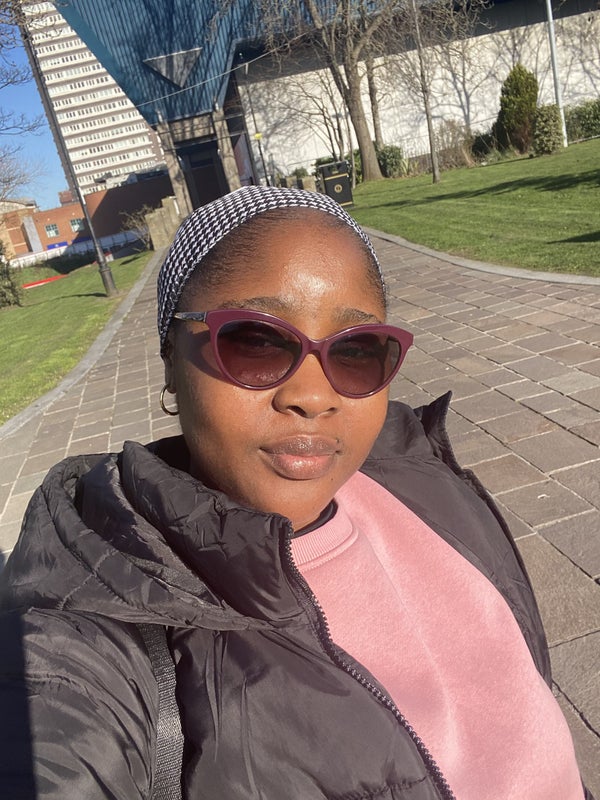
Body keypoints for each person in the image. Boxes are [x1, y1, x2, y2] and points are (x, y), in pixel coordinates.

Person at [0, 186, 591, 800]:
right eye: (256, 341)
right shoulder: (94, 628)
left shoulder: (423, 478)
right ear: (170, 357)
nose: (312, 395)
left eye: (356, 350)